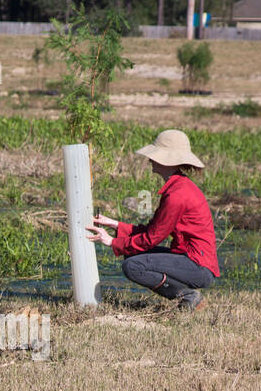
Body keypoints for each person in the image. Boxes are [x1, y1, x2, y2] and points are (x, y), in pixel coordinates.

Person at [87, 129, 219, 311]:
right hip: (192, 260)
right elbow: (153, 231)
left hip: (198, 267)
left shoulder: (177, 195)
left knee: (132, 266)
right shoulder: (179, 187)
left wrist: (112, 242)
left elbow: (152, 239)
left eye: (154, 156)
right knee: (133, 255)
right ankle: (188, 296)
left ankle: (188, 296)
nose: (150, 160)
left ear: (168, 161)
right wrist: (116, 224)